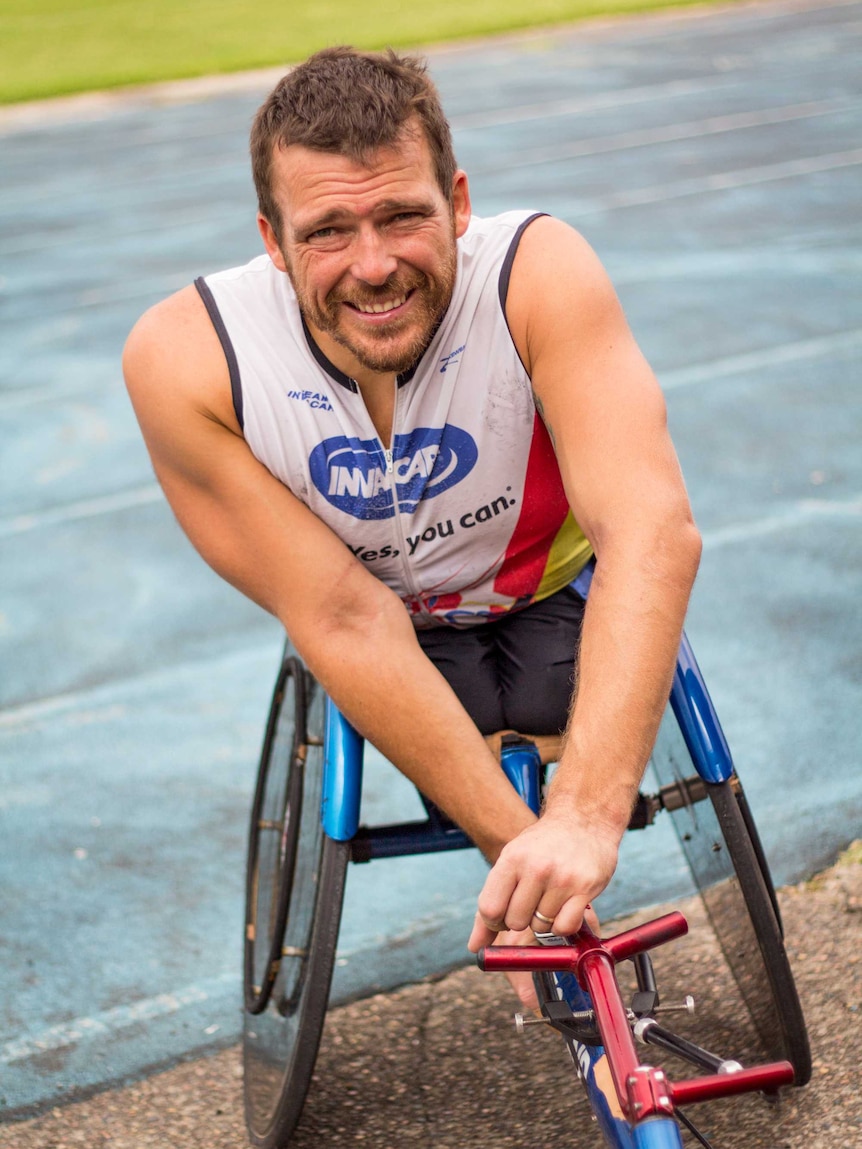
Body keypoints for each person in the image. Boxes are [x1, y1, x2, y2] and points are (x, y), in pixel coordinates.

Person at [123, 47, 701, 994]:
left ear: (459, 203)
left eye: (402, 215)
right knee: (473, 718)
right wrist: (528, 876)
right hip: (384, 622)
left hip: (544, 591)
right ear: (271, 239)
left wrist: (588, 819)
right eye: (329, 231)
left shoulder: (536, 273)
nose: (375, 263)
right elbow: (343, 617)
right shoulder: (187, 360)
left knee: (551, 699)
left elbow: (652, 535)